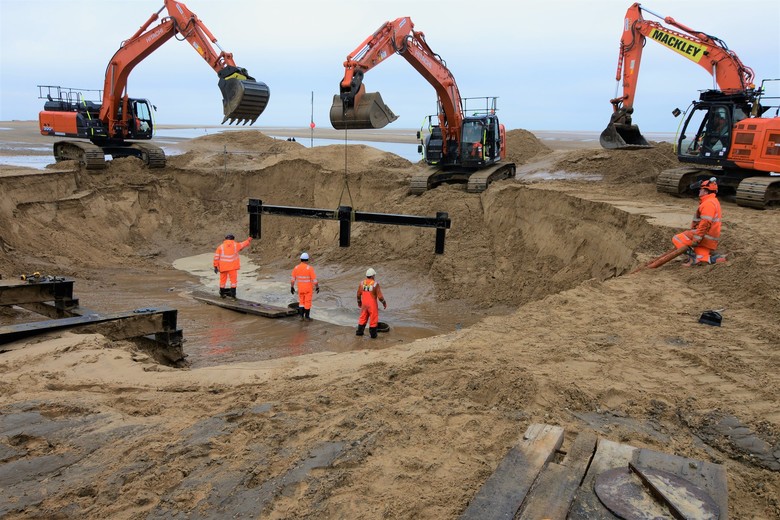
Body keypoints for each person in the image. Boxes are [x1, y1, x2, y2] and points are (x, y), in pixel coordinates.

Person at [671, 177, 726, 266]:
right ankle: (717, 259)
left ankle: (693, 258)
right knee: (702, 258)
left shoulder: (708, 203)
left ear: (705, 191)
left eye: (701, 189)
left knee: (677, 238)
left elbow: (705, 223)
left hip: (704, 236)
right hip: (709, 239)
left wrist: (697, 238)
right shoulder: (713, 201)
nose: (699, 191)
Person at [213, 234, 252, 299]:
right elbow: (243, 244)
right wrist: (249, 239)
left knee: (222, 281)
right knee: (233, 281)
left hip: (223, 267)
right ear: (233, 239)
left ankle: (222, 294)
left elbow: (216, 257)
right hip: (232, 267)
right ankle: (233, 296)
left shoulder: (220, 247)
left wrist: (215, 266)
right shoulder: (235, 245)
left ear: (225, 239)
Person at [356, 267, 387, 339]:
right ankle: (373, 336)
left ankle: (359, 333)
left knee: (362, 318)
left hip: (364, 305)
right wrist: (384, 303)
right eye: (374, 275)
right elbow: (380, 297)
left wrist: (359, 302)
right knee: (373, 320)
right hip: (372, 306)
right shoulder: (375, 284)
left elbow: (358, 294)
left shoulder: (361, 283)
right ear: (373, 276)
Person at [290, 252, 319, 321]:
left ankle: (301, 316)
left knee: (301, 302)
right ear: (307, 259)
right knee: (307, 302)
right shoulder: (309, 268)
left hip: (300, 288)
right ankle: (307, 317)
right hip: (308, 289)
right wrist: (317, 287)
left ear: (301, 259)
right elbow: (314, 280)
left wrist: (292, 287)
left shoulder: (296, 268)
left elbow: (293, 279)